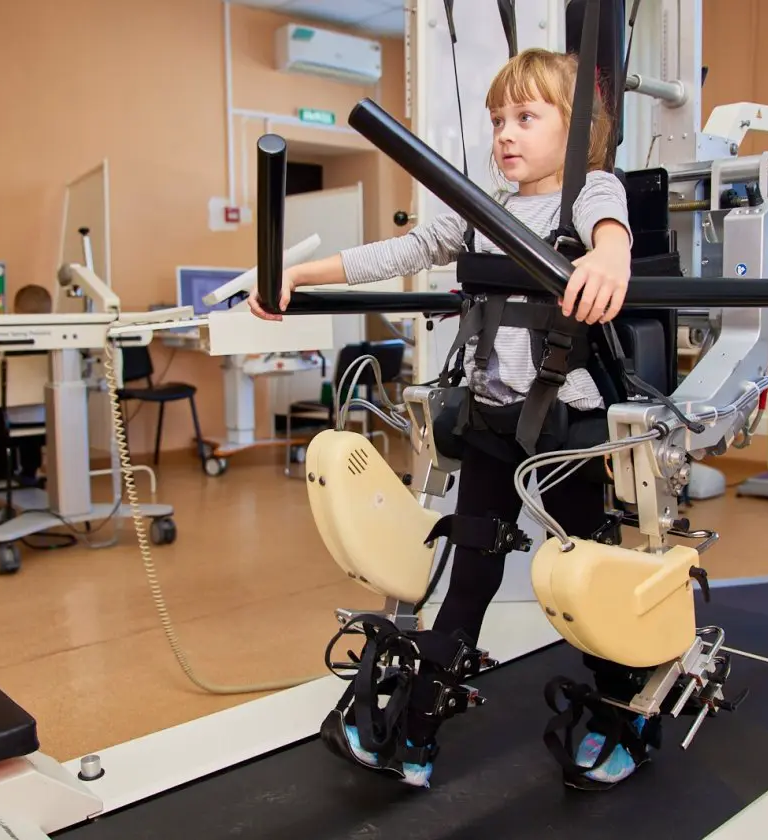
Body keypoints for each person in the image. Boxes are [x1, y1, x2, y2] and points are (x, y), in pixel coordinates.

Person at [250, 48, 641, 790]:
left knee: (585, 578)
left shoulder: (589, 192)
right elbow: (404, 249)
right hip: (494, 422)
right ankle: (417, 734)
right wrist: (301, 274)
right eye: (498, 119)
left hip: (566, 431)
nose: (506, 133)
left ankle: (624, 714)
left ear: (576, 129)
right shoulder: (480, 208)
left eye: (526, 116)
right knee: (470, 578)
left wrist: (609, 258)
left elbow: (610, 226)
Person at [0, 284, 53, 492]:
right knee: (32, 410)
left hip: (9, 424)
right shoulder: (54, 346)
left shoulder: (7, 347)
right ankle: (29, 472)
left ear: (16, 311)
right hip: (50, 422)